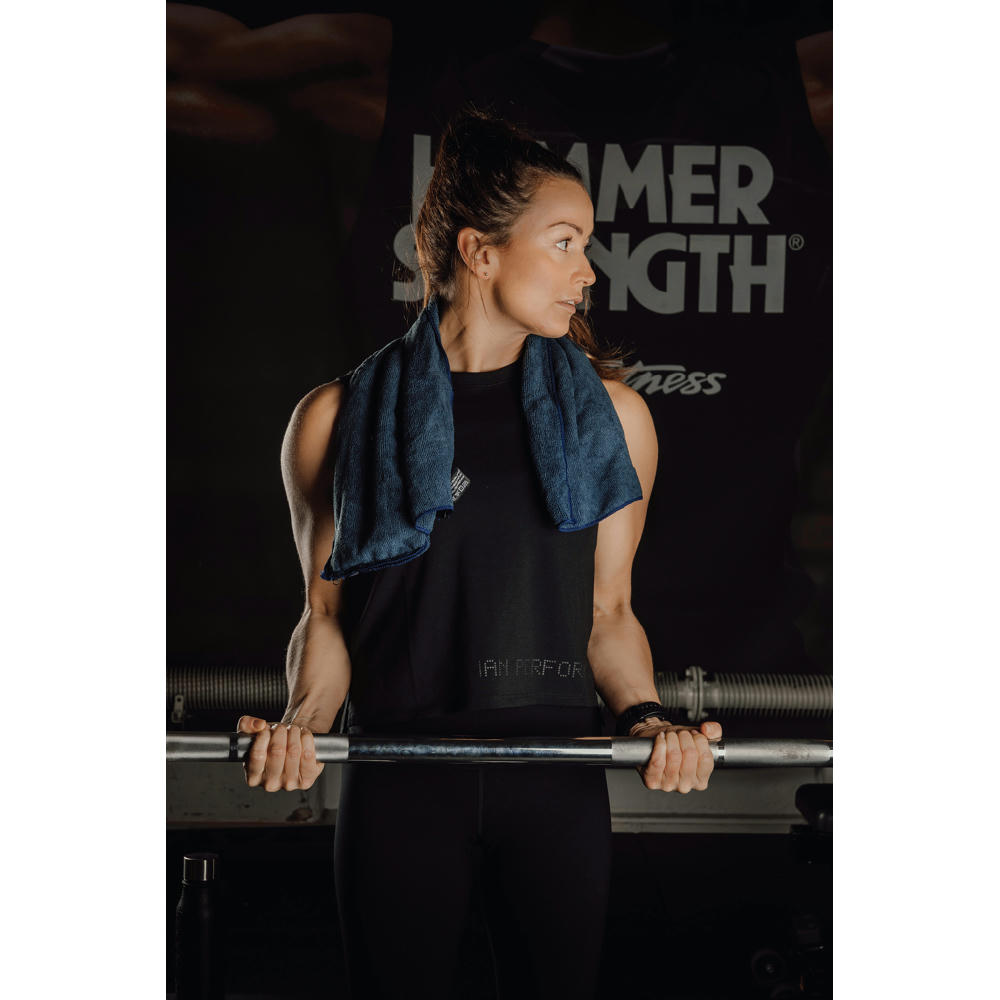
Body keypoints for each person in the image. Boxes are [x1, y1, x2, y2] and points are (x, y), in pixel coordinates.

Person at [237, 107, 722, 1000]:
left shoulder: (615, 420)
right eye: (565, 242)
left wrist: (650, 718)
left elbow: (609, 612)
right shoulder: (335, 419)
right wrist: (301, 725)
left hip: (556, 778)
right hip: (398, 775)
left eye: (586, 247)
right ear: (480, 252)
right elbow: (328, 614)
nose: (587, 272)